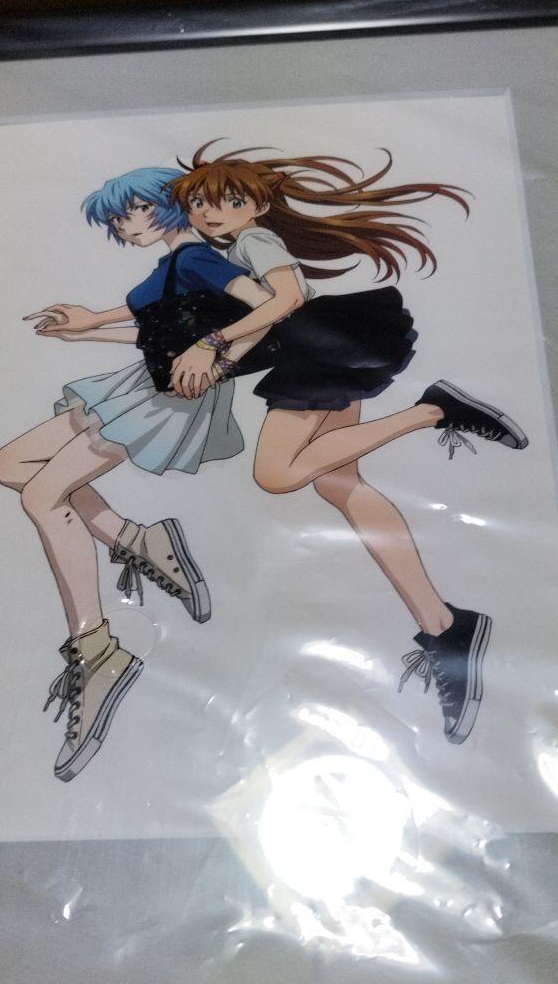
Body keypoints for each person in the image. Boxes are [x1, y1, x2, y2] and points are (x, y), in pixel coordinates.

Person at [167, 143, 530, 744]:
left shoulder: (253, 242)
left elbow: (288, 300)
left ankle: (433, 410)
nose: (210, 213)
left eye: (227, 201)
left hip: (318, 351)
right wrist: (220, 360)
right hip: (331, 346)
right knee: (340, 483)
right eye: (200, 204)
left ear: (257, 206)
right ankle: (444, 626)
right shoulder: (238, 248)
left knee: (276, 474)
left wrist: (211, 345)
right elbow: (272, 315)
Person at [0, 166, 272, 781]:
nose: (123, 225)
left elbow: (269, 311)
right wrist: (85, 329)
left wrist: (216, 357)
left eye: (131, 211)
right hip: (140, 381)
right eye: (116, 219)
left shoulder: (197, 259)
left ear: (166, 204)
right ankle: (139, 541)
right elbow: (153, 329)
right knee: (11, 464)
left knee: (43, 496)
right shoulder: (173, 266)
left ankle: (96, 650)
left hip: (168, 396)